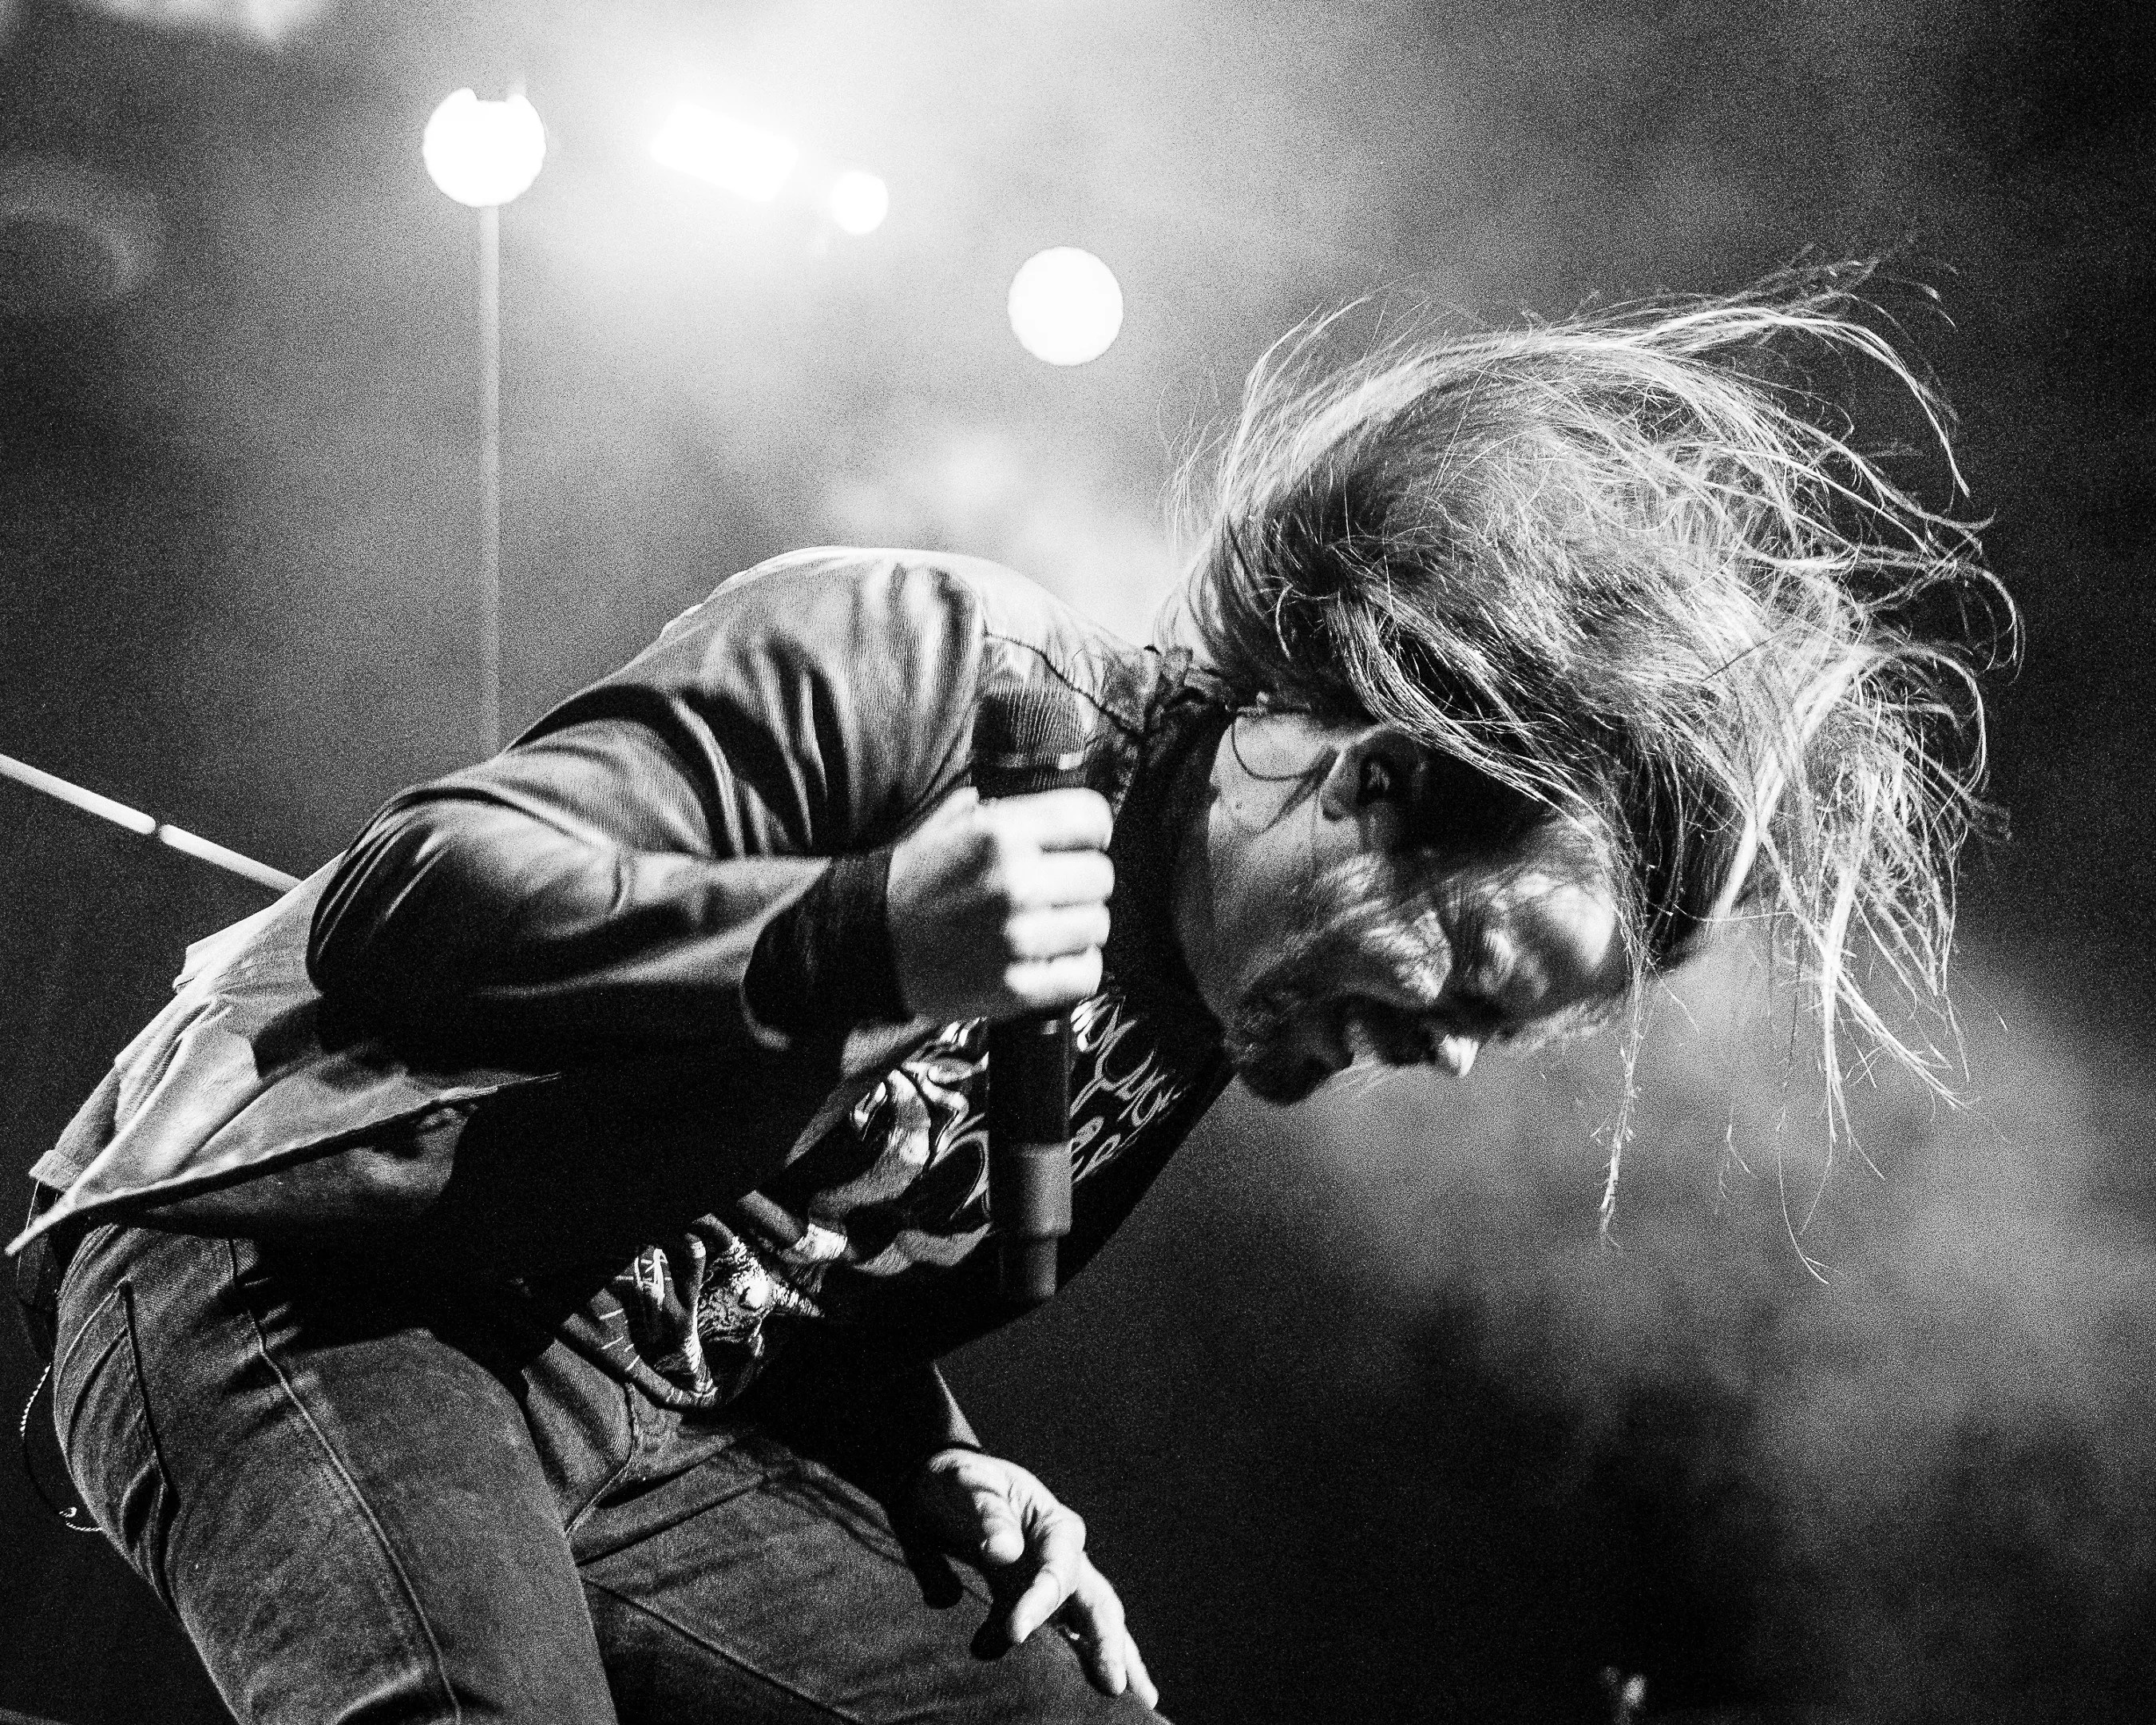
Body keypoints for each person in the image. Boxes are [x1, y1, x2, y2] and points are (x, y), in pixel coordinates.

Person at [11, 269, 2003, 1724]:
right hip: (314, 1262)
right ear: (1375, 782)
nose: (1459, 1056)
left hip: (622, 1406)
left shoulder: (1204, 1012)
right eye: (1474, 971)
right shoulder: (938, 667)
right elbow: (406, 906)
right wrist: (860, 937)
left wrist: (920, 1451)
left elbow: (793, 1237)